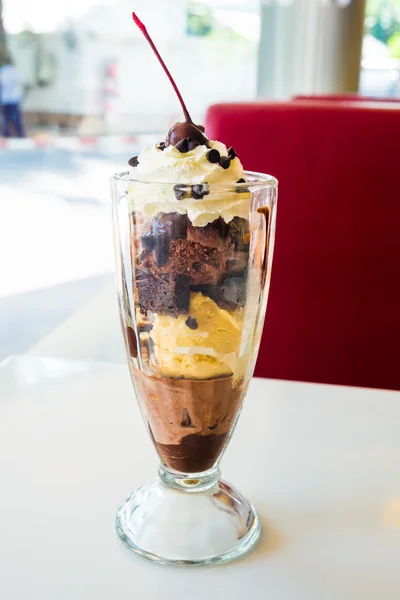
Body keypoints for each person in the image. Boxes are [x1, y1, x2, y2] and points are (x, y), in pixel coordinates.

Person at [0, 59, 25, 138]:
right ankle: (19, 135)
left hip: (7, 100)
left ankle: (8, 135)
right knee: (13, 118)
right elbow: (21, 81)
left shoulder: (3, 71)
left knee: (7, 119)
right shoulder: (13, 71)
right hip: (12, 99)